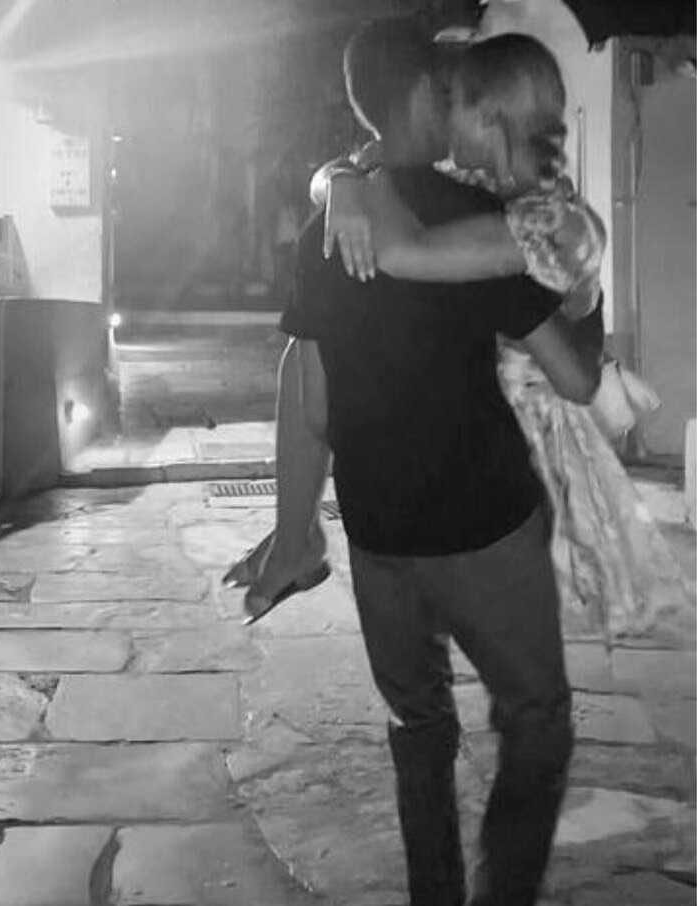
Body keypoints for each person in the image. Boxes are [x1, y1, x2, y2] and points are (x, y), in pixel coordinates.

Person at [229, 19, 603, 906]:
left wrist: (294, 532)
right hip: (486, 528)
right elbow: (575, 376)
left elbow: (308, 397)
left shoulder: (331, 226)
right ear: (428, 97)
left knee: (418, 721)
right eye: (455, 92)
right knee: (538, 719)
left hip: (378, 535)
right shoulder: (478, 218)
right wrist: (585, 304)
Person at [301, 33, 694, 648]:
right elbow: (350, 165)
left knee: (515, 646)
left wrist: (357, 186)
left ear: (488, 117)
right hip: (489, 435)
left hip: (529, 446)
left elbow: (402, 252)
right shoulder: (501, 191)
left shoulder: (543, 221)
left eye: (451, 100)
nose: (440, 117)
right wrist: (342, 178)